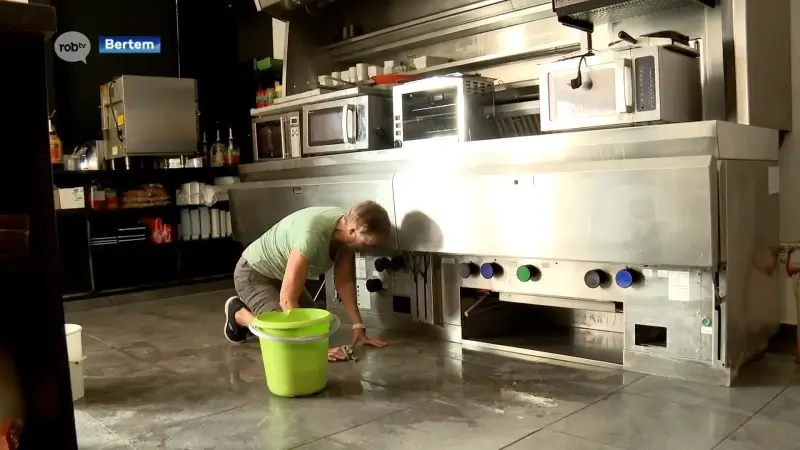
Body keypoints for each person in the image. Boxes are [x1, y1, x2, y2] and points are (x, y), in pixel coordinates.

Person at [224, 201, 391, 361]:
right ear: (353, 230)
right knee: (283, 334)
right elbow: (288, 299)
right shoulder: (312, 236)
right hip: (254, 273)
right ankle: (238, 313)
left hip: (282, 276)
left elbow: (344, 281)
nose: (371, 249)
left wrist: (358, 326)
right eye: (368, 244)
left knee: (316, 325)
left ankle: (260, 313)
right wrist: (315, 349)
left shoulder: (347, 231)